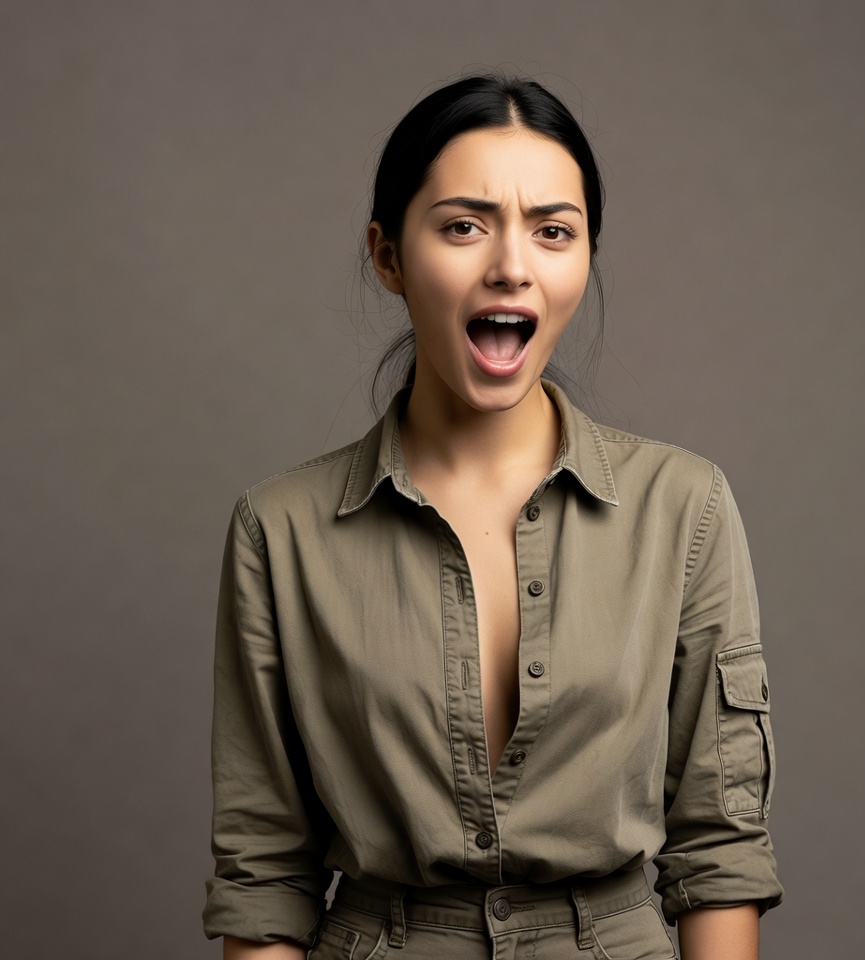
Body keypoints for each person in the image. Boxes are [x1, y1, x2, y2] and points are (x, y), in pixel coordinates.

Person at [203, 74, 782, 960]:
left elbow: (719, 849)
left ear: (585, 260)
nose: (512, 264)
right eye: (464, 226)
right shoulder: (279, 530)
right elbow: (264, 877)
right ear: (388, 256)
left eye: (554, 231)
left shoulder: (684, 507)